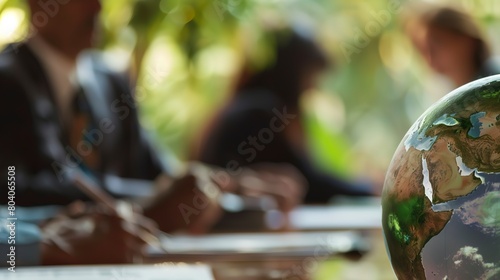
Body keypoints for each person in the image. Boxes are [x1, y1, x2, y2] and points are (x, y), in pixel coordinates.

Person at [0, 0, 303, 264]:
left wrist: (226, 186)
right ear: (38, 3)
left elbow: (159, 173)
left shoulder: (110, 81)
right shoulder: (8, 81)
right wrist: (147, 206)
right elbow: (18, 191)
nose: (98, 7)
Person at [194, 29, 374, 203]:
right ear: (291, 72)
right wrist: (372, 190)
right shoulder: (258, 115)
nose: (313, 88)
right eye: (310, 76)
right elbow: (308, 183)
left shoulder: (248, 107)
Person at [404, 3, 500, 88]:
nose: (430, 60)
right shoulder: (462, 98)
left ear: (466, 38)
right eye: (423, 51)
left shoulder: (494, 81)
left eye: (436, 45)